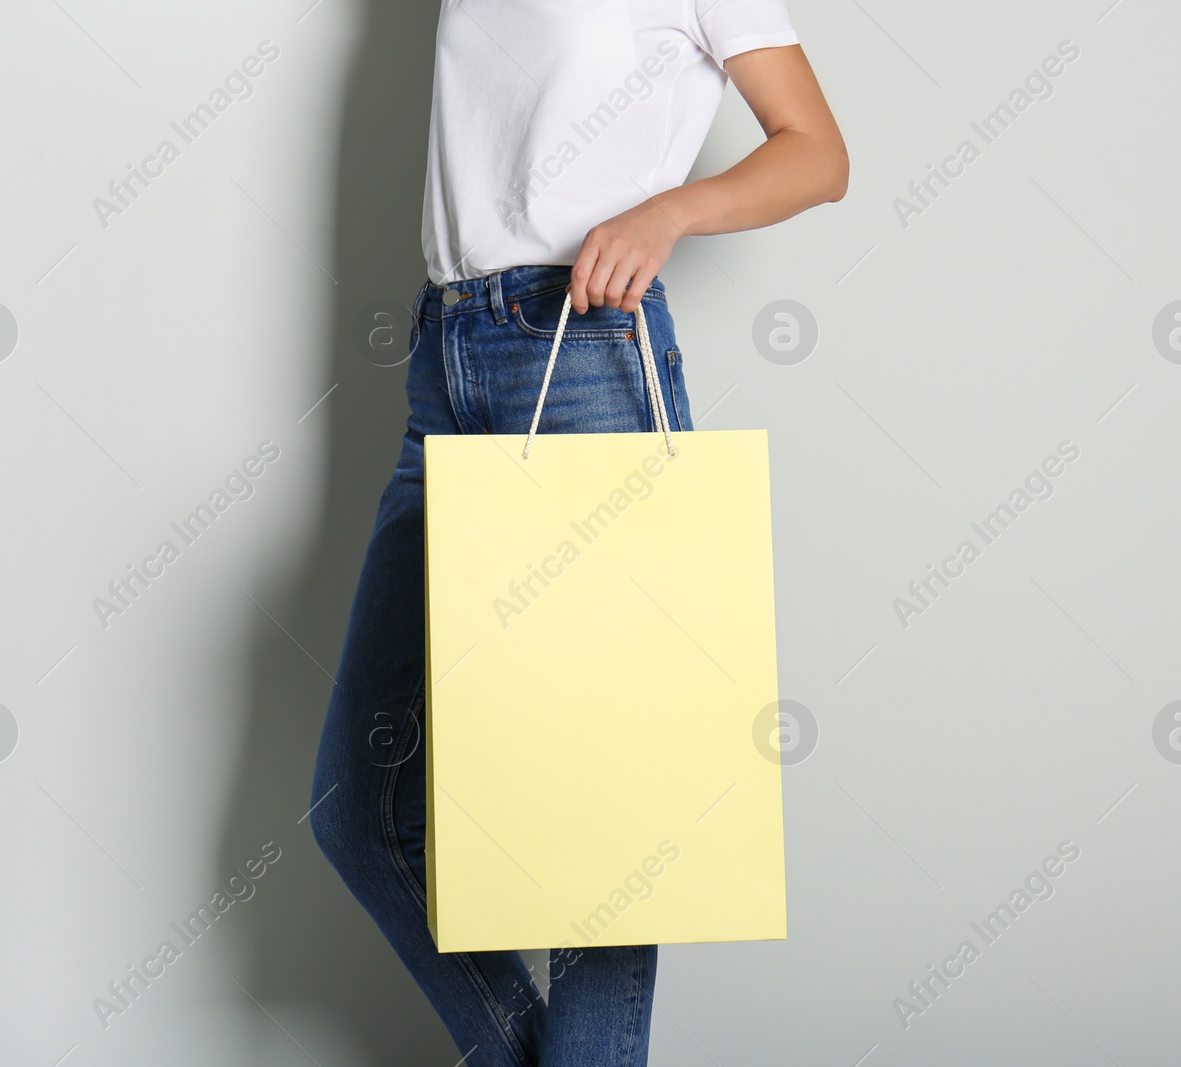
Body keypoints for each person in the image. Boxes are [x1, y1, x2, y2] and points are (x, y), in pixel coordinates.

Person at [309, 3, 846, 1064]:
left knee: (612, 837)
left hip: (587, 348)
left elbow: (817, 154)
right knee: (359, 810)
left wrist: (670, 213)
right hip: (443, 362)